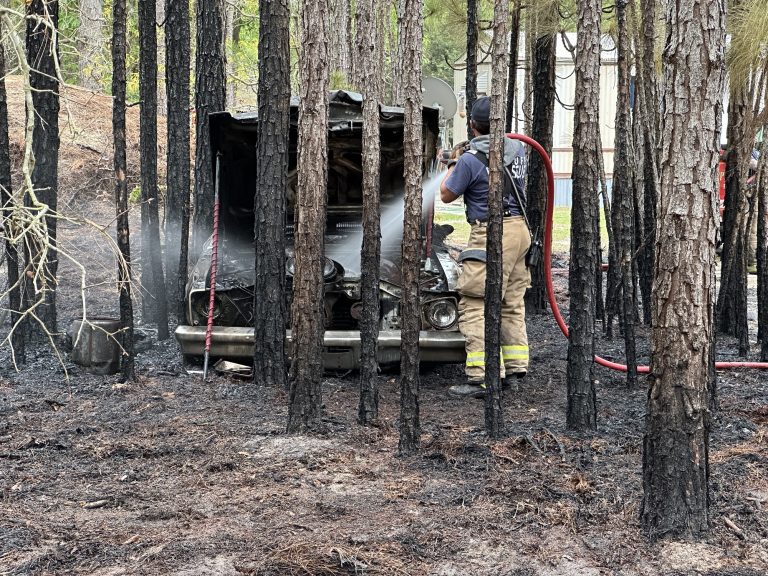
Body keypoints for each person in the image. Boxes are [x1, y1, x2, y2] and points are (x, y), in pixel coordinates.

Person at [439, 96, 530, 398]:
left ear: (472, 126)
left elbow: (446, 194)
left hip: (492, 233)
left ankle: (481, 376)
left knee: (475, 303)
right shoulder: (517, 151)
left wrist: (454, 161)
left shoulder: (469, 160)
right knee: (511, 302)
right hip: (519, 231)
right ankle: (516, 368)